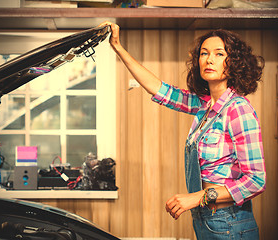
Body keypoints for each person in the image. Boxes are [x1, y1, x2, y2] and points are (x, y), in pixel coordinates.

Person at [99, 22, 266, 239]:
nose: (209, 59)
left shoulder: (238, 110)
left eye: (219, 54)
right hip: (207, 219)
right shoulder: (205, 106)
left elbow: (256, 181)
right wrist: (118, 47)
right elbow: (159, 89)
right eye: (204, 53)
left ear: (233, 62)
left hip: (230, 222)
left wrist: (197, 198)